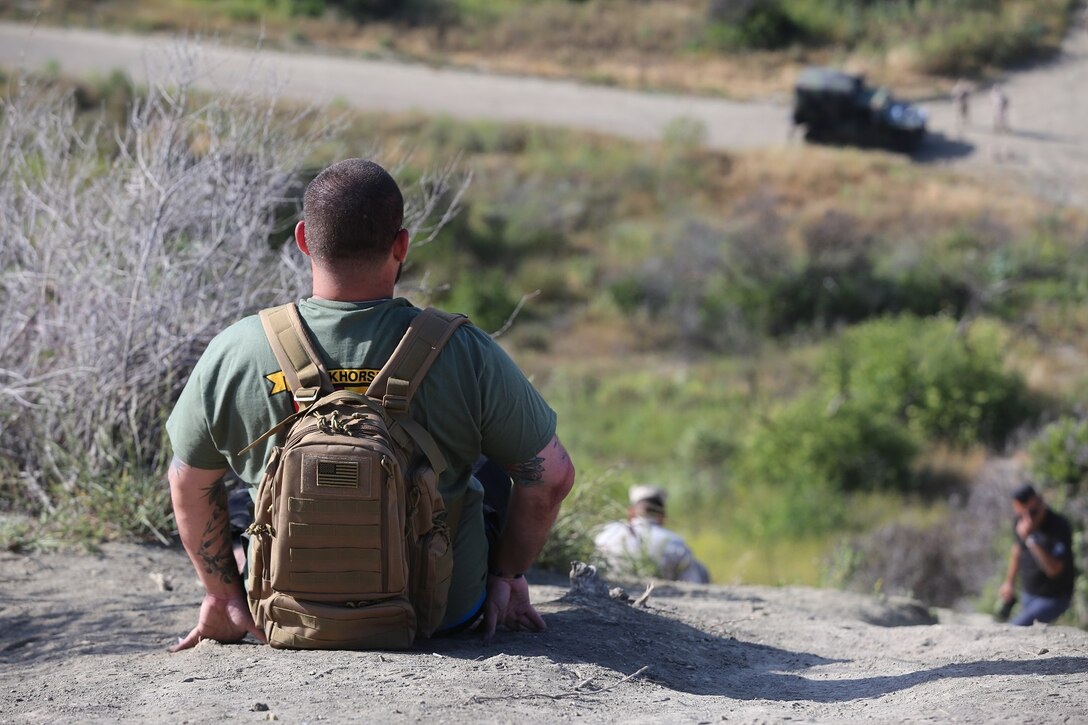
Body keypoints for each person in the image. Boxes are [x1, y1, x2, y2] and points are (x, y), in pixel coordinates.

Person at [166, 158, 576, 651]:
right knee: (484, 470)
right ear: (401, 245)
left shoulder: (237, 349)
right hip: (444, 613)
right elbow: (550, 477)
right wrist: (508, 575)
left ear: (302, 240)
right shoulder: (465, 352)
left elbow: (188, 482)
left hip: (282, 610)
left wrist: (224, 594)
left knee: (242, 491)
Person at [593, 485, 709, 583]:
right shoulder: (676, 543)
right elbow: (693, 582)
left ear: (631, 512)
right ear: (663, 517)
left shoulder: (608, 532)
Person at [998, 484, 1076, 626]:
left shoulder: (1059, 526)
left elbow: (1054, 570)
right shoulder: (1020, 522)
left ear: (1040, 503)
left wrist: (1031, 539)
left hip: (1053, 598)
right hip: (1028, 594)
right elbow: (1017, 551)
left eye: (1032, 512)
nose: (1028, 518)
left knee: (1014, 628)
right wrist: (1009, 583)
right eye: (1021, 513)